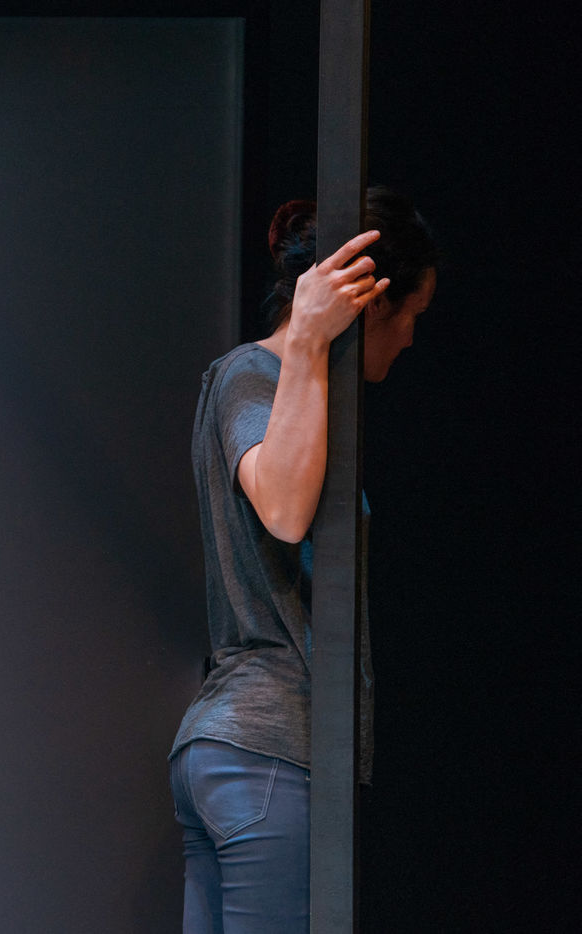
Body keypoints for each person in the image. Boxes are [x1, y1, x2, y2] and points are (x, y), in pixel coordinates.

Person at [168, 188, 439, 933]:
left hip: (235, 752)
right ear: (372, 303)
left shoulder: (293, 390)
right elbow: (285, 511)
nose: (411, 337)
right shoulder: (253, 374)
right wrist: (312, 337)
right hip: (267, 746)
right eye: (412, 314)